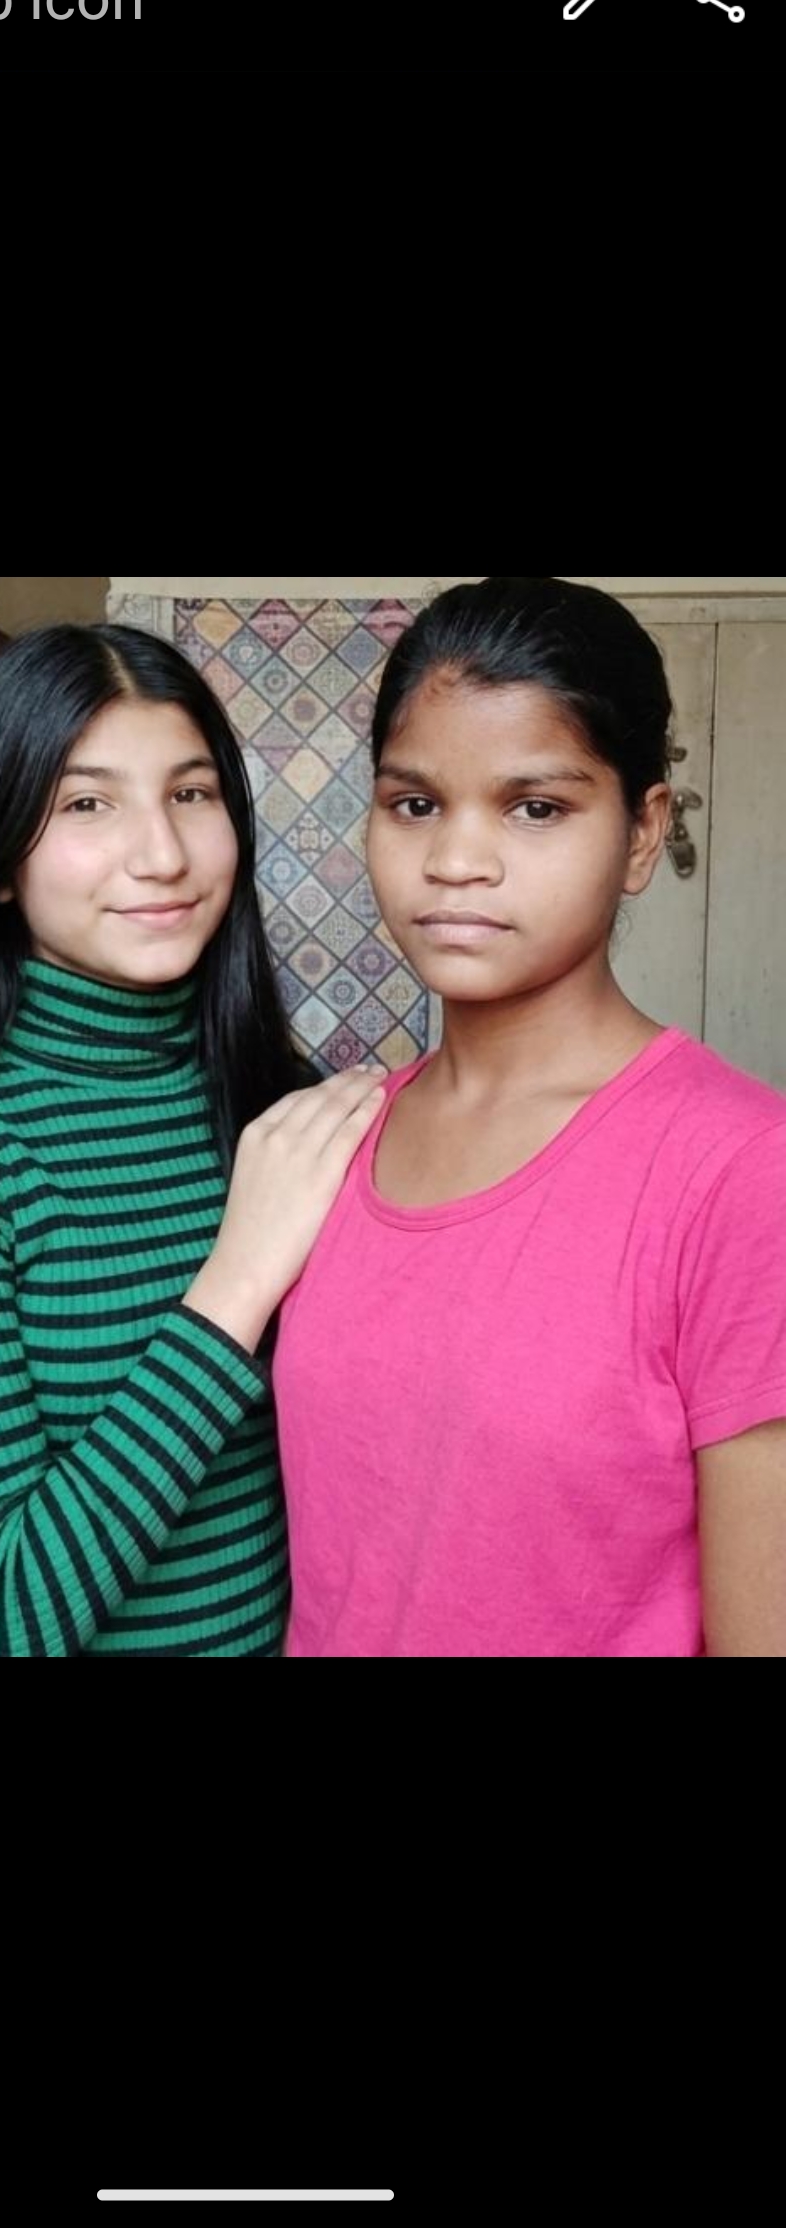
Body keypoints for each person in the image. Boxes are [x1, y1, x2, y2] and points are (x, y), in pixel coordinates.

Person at [0, 624, 386, 1655]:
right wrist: (235, 1285)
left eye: (191, 793)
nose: (161, 856)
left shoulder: (278, 1106)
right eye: (86, 804)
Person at [273, 577, 786, 1657]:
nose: (456, 862)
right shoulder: (329, 1143)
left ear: (642, 834)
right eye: (416, 804)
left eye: (536, 807)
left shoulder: (741, 1172)